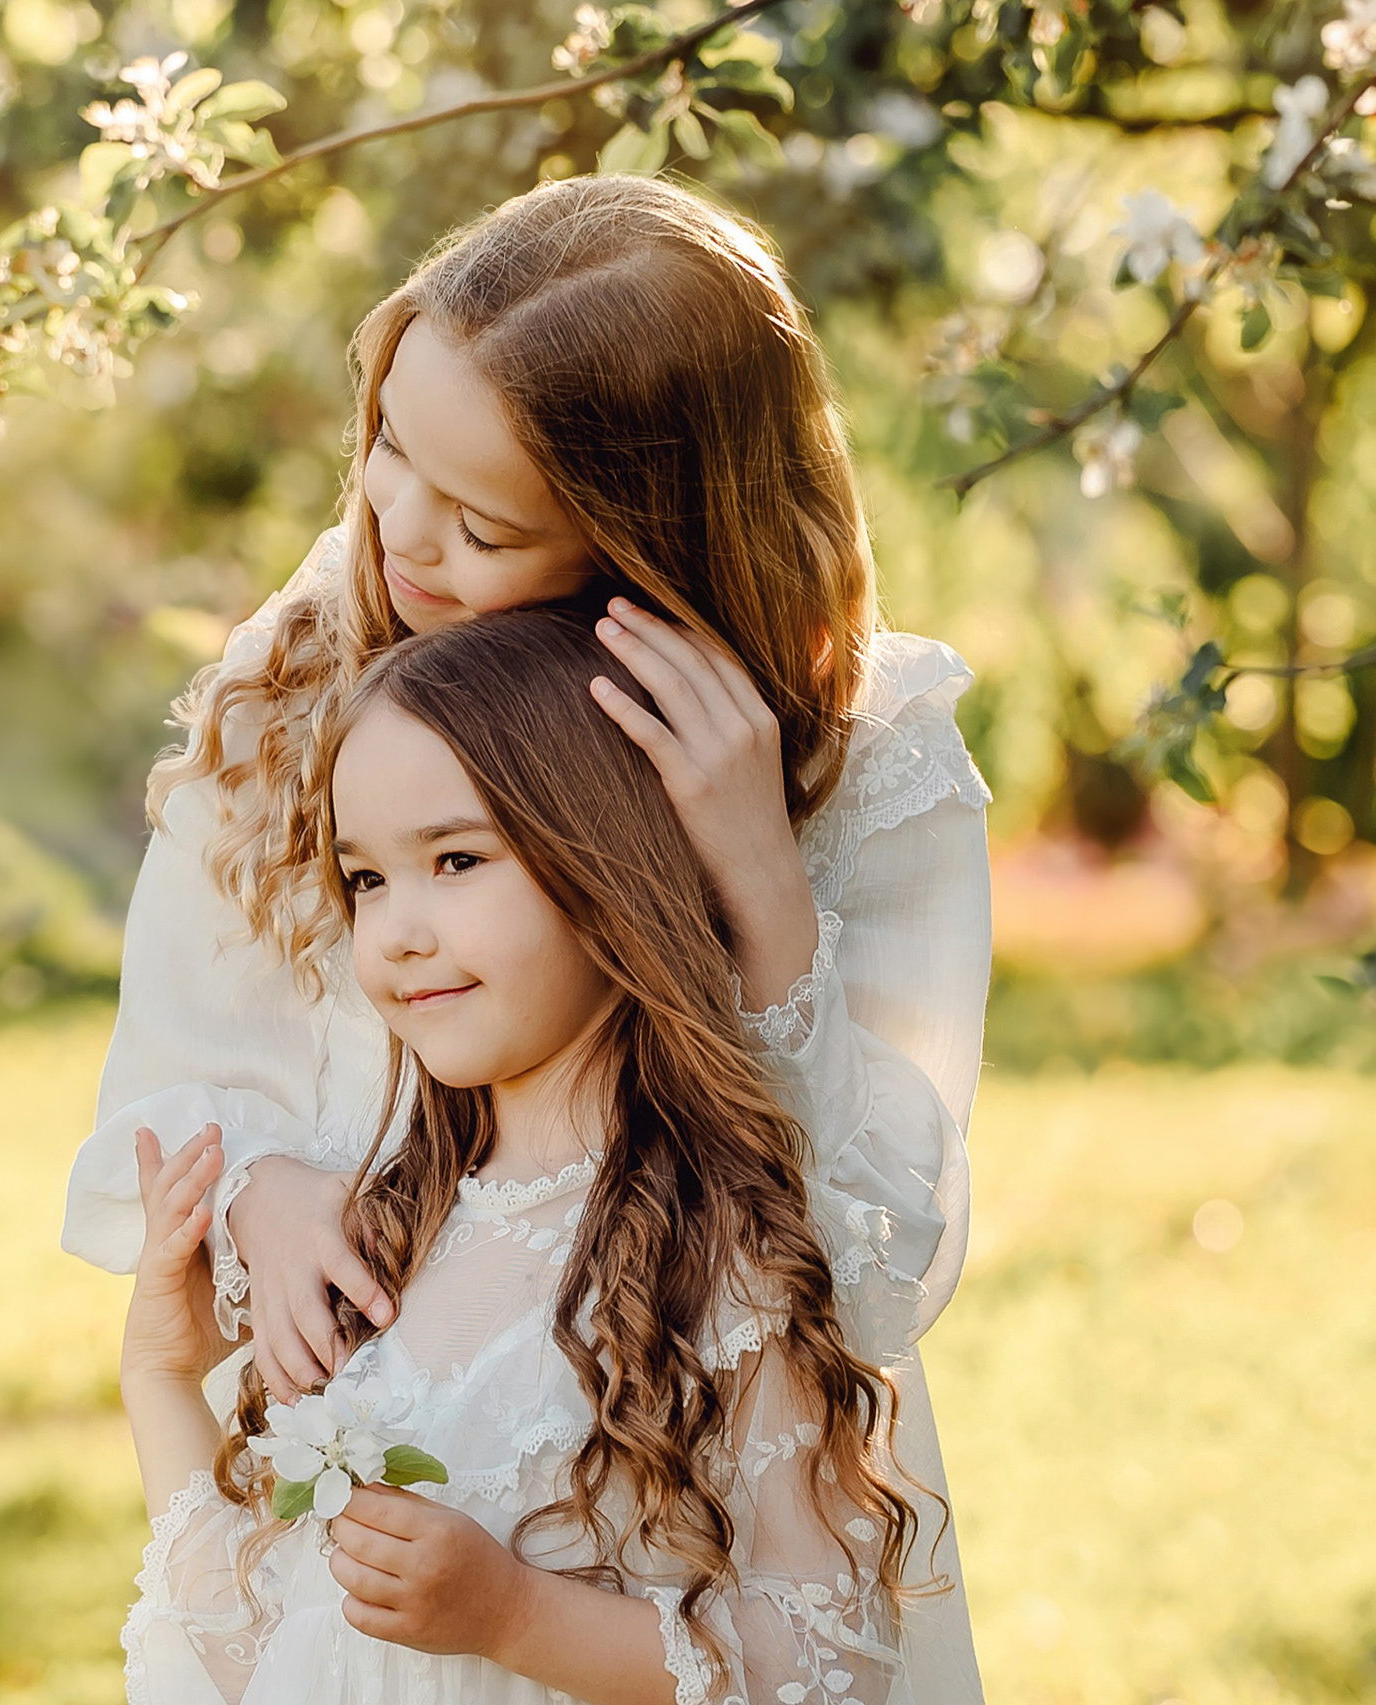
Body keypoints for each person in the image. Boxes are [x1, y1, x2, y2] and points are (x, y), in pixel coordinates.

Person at [63, 175, 988, 1397]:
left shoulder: (867, 756)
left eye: (483, 530)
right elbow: (158, 1086)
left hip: (688, 1490)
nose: (394, 532)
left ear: (645, 546)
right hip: (356, 1459)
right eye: (391, 441)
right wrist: (255, 1193)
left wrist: (756, 868)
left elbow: (875, 1267)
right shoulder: (305, 669)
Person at [117, 610, 971, 1704]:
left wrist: (515, 1613)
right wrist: (156, 1374)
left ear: (606, 863)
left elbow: (830, 1664)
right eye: (366, 878)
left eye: (457, 858)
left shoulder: (718, 1247)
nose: (396, 931)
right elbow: (273, 1658)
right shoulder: (383, 1243)